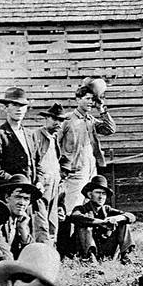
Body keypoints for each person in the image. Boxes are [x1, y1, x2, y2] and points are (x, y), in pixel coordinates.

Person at [57, 80, 116, 216]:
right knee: (72, 208)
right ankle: (69, 236)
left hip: (91, 170)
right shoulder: (66, 120)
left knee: (88, 208)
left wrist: (101, 109)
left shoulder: (90, 120)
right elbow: (54, 143)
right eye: (87, 99)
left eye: (92, 99)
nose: (90, 102)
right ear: (78, 99)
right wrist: (61, 166)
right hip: (74, 172)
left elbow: (110, 129)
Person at [67, 175, 136, 263]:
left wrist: (115, 218)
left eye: (104, 194)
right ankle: (88, 259)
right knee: (84, 226)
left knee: (123, 223)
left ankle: (126, 256)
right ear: (89, 194)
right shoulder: (81, 209)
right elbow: (75, 217)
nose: (101, 197)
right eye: (98, 193)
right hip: (85, 249)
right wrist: (100, 222)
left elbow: (131, 216)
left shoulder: (107, 209)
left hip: (106, 249)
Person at [0, 87, 36, 198]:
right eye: (14, 105)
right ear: (6, 108)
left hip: (28, 192)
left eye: (22, 106)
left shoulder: (31, 135)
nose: (19, 109)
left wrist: (38, 182)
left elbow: (36, 162)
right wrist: (14, 181)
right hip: (8, 192)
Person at [31, 104, 69, 244]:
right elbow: (34, 161)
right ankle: (41, 255)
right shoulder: (36, 135)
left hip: (54, 185)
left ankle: (51, 254)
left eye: (60, 120)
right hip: (42, 184)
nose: (58, 123)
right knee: (41, 222)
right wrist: (38, 181)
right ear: (46, 118)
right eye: (54, 119)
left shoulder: (54, 138)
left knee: (53, 221)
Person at [0, 175, 42, 259]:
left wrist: (23, 229)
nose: (22, 203)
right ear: (7, 197)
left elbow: (32, 254)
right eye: (18, 197)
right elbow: (3, 252)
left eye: (26, 199)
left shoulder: (21, 220)